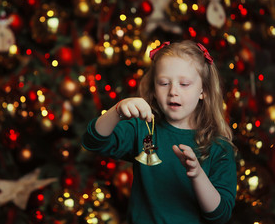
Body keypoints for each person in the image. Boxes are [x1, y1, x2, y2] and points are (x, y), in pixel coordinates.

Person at [81, 40, 238, 224]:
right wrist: (117, 110)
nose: (173, 91)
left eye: (184, 84)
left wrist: (197, 175)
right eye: (164, 83)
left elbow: (220, 214)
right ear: (154, 89)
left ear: (203, 89)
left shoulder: (219, 148)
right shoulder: (143, 129)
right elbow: (93, 141)